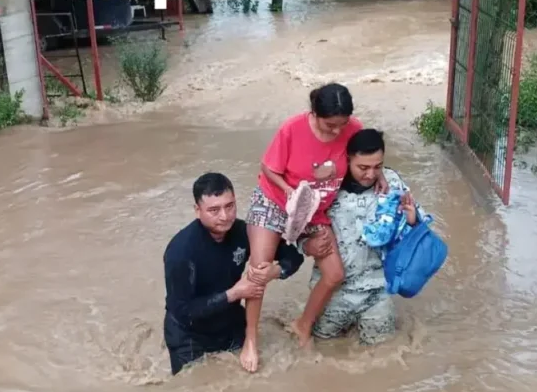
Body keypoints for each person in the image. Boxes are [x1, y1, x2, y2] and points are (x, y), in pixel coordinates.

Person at [244, 83, 388, 371]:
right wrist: (288, 191)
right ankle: (250, 340)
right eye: (330, 125)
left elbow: (366, 156)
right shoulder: (292, 129)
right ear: (314, 113)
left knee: (334, 274)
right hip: (276, 200)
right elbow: (267, 168)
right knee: (259, 271)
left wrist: (380, 174)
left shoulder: (352, 128)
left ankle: (303, 326)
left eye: (342, 125)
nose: (337, 132)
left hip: (314, 209)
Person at [163, 173, 305, 376]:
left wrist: (275, 271)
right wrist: (234, 293)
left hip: (229, 322)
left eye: (229, 206)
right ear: (197, 210)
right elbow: (183, 311)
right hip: (189, 334)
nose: (224, 216)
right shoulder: (181, 252)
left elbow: (293, 256)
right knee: (193, 390)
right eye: (214, 210)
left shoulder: (243, 231)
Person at [300, 129, 425, 345]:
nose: (370, 175)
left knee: (382, 352)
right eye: (363, 168)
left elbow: (417, 232)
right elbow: (297, 230)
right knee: (322, 346)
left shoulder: (392, 183)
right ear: (347, 159)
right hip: (333, 293)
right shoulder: (326, 188)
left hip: (377, 291)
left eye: (378, 167)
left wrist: (413, 220)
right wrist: (307, 245)